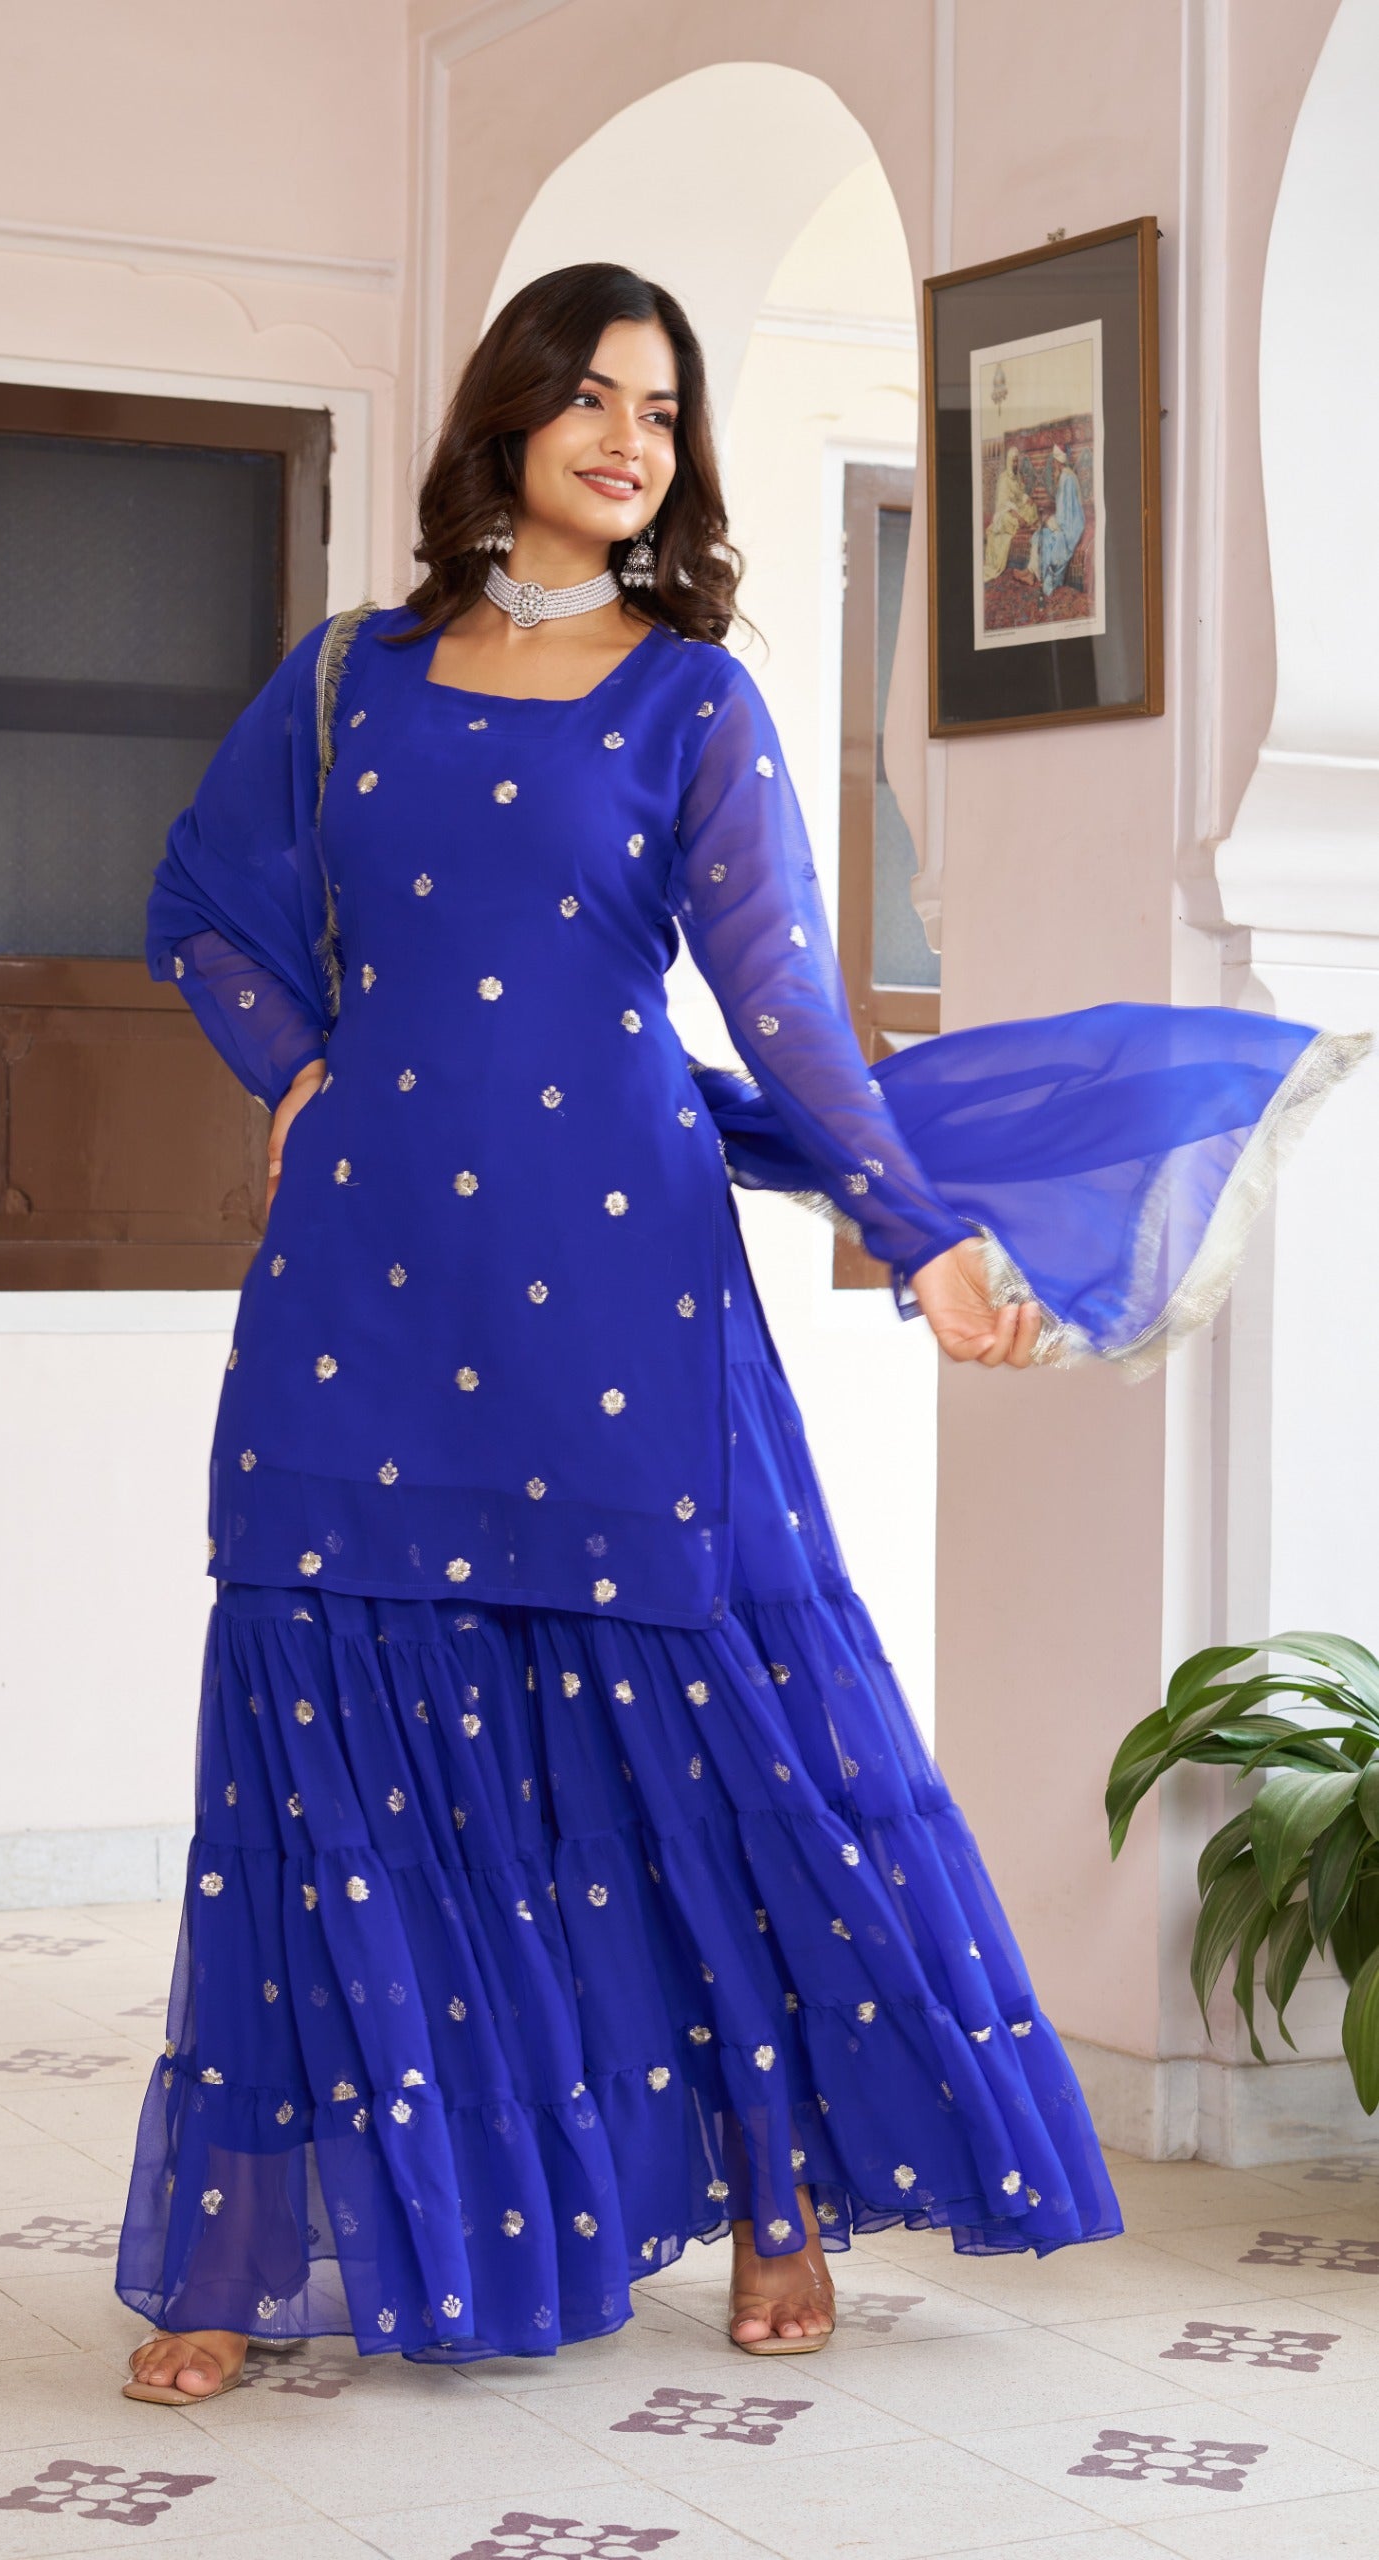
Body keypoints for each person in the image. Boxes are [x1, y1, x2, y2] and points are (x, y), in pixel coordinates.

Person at [115, 265, 1366, 2403]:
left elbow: (779, 998)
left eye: (665, 413)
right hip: (365, 1281)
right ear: (506, 417)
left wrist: (917, 1233)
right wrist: (298, 1069)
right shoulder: (343, 683)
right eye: (595, 399)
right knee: (321, 1757)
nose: (632, 441)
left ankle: (775, 2188)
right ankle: (247, 2249)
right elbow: (199, 906)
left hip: (617, 1278)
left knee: (698, 1747)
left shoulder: (688, 701)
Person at [1028, 443, 1087, 598]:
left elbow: (1063, 518)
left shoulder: (1065, 478)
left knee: (1043, 536)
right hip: (1071, 524)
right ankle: (1031, 573)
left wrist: (1049, 522)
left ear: (1057, 462)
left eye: (1054, 462)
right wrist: (1050, 521)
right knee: (1041, 534)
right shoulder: (1068, 475)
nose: (1052, 465)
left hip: (1070, 529)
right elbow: (1064, 510)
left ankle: (1043, 578)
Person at [981, 442, 1036, 581]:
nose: (1016, 464)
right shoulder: (1003, 479)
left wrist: (1027, 499)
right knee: (1007, 519)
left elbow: (1020, 495)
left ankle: (1022, 523)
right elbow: (1004, 504)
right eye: (1014, 461)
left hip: (1017, 508)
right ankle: (1021, 524)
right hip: (1005, 513)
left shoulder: (1018, 477)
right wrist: (1018, 517)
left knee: (1032, 507)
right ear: (1009, 461)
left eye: (1017, 461)